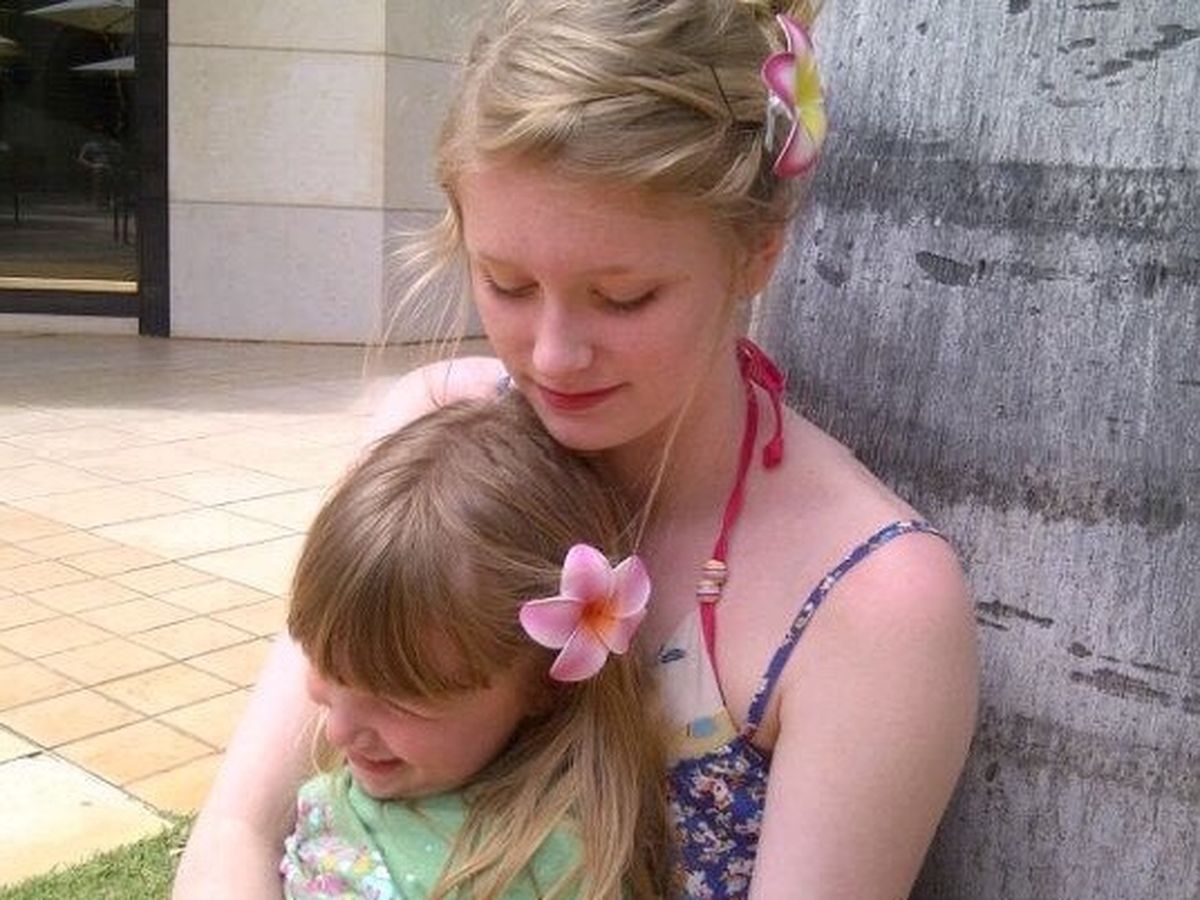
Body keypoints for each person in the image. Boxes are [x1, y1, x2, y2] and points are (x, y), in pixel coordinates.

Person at [174, 1, 979, 897]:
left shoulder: (869, 602)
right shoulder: (435, 432)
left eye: (624, 297)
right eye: (507, 284)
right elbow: (240, 829)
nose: (553, 357)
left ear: (756, 252)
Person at [281, 394, 670, 898]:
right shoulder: (357, 787)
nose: (338, 730)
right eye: (326, 669)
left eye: (400, 702)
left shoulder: (547, 869)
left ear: (541, 686)